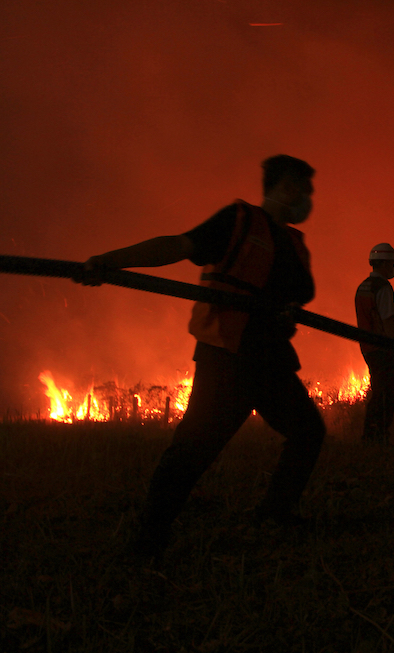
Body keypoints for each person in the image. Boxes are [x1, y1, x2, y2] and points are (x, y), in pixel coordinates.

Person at [80, 154, 326, 559]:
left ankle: (274, 513)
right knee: (194, 448)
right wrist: (110, 262)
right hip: (227, 357)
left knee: (308, 432)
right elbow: (178, 245)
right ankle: (148, 538)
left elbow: (295, 295)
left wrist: (287, 308)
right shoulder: (239, 221)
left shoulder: (295, 244)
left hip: (272, 360)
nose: (310, 199)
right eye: (305, 189)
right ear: (285, 188)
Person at [354, 243, 394, 444]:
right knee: (387, 393)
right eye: (392, 263)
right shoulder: (383, 287)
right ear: (383, 263)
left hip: (367, 347)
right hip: (384, 348)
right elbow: (388, 321)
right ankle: (378, 435)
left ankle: (370, 433)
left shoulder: (363, 286)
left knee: (378, 390)